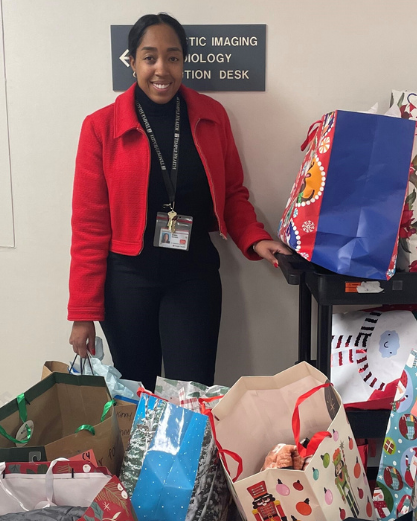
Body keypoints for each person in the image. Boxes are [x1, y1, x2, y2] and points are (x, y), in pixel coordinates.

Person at [68, 13, 289, 388]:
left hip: (193, 277)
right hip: (127, 283)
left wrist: (255, 237)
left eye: (172, 57)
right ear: (132, 61)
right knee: (137, 392)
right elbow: (89, 226)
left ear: (184, 62)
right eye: (149, 56)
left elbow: (232, 192)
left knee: (193, 390)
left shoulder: (211, 117)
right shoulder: (100, 127)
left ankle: (191, 450)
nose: (161, 69)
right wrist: (83, 312)